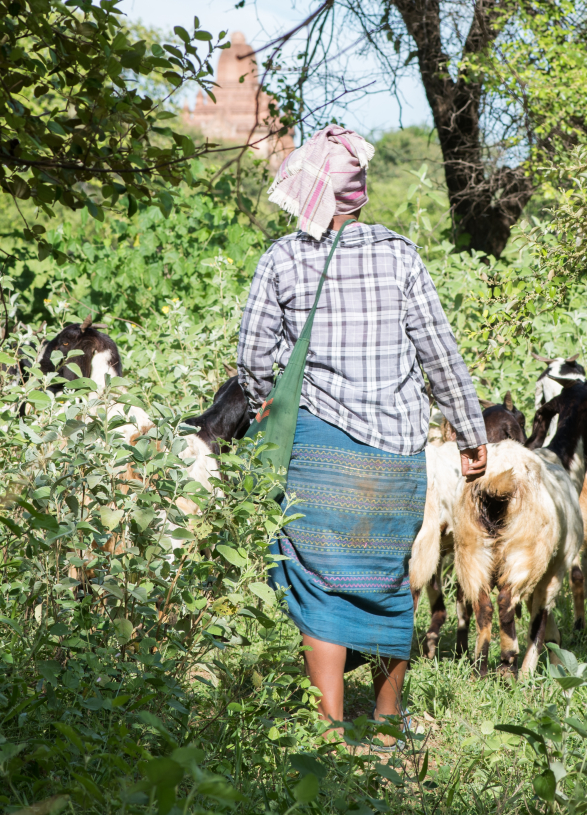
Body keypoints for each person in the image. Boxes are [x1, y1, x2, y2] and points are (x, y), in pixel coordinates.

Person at [238, 124, 488, 737]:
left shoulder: (283, 257)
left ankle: (327, 728)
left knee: (318, 583)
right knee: (385, 579)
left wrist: (262, 406)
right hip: (395, 455)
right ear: (361, 193)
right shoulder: (400, 254)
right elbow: (439, 353)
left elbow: (251, 360)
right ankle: (387, 720)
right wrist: (470, 433)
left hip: (317, 450)